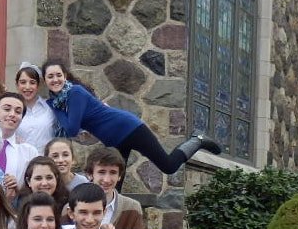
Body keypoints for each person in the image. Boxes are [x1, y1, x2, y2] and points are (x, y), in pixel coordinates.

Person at [43, 59, 221, 172]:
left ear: (65, 76)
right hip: (114, 140)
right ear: (45, 81)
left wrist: (55, 108)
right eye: (50, 76)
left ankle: (197, 139)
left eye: (59, 75)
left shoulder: (74, 92)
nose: (55, 79)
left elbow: (72, 129)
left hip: (129, 128)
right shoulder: (62, 101)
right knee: (114, 183)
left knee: (168, 166)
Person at [85, 146, 145, 229]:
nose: (107, 180)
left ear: (119, 176)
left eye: (113, 173)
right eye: (101, 172)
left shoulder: (133, 207)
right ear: (90, 174)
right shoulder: (73, 205)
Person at [0, 92, 39, 198]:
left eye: (18, 111)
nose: (12, 114)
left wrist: (17, 188)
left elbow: (34, 185)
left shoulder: (29, 152)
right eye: (7, 109)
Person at [15, 62, 57, 151]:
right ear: (17, 85)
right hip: (21, 162)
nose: (27, 87)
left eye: (32, 82)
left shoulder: (50, 108)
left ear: (38, 85)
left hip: (47, 162)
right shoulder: (11, 111)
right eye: (23, 82)